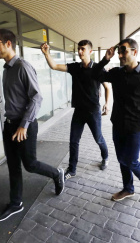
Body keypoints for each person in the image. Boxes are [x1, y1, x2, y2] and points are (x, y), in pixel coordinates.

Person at [0, 29, 64, 222]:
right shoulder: (7, 69)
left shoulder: (23, 66)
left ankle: (57, 174)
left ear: (8, 44)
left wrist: (23, 125)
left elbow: (37, 97)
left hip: (25, 126)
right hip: (9, 125)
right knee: (13, 166)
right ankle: (16, 204)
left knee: (30, 165)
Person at [92, 38, 140, 201]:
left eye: (123, 51)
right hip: (117, 123)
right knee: (121, 159)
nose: (120, 55)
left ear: (135, 52)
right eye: (119, 52)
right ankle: (128, 188)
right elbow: (96, 75)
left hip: (136, 126)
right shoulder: (116, 73)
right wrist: (106, 58)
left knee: (130, 160)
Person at [41, 40, 110, 181]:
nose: (79, 52)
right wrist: (46, 54)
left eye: (83, 49)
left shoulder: (97, 68)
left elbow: (108, 87)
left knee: (98, 138)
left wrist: (107, 104)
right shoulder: (75, 67)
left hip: (93, 111)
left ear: (90, 51)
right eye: (78, 49)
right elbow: (54, 66)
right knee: (74, 141)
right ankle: (72, 169)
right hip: (79, 111)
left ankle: (105, 157)